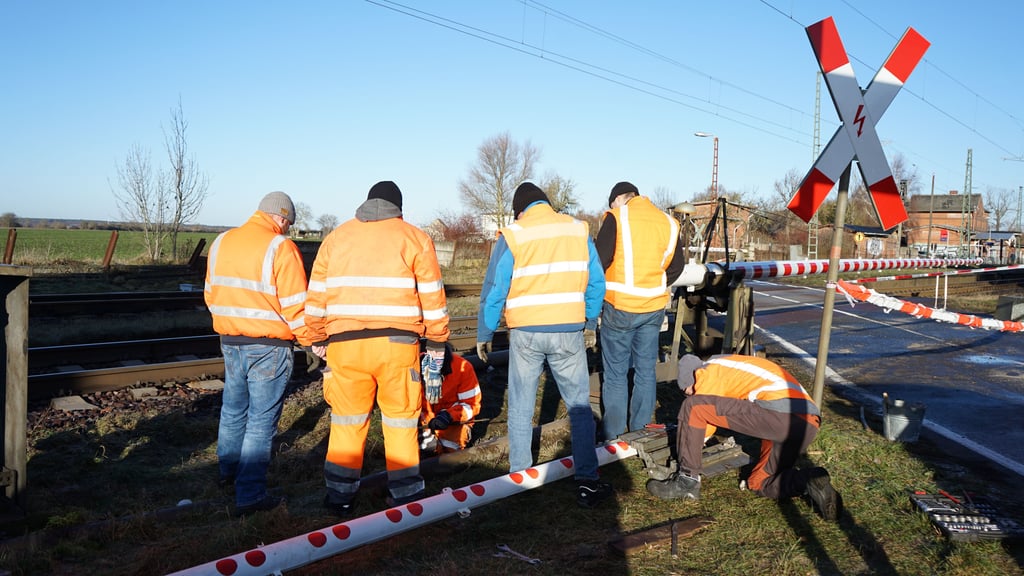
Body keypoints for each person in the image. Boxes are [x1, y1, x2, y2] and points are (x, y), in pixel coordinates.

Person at [305, 181, 450, 516]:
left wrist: (316, 339)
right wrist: (438, 341)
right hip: (397, 347)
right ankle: (406, 498)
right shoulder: (414, 238)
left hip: (344, 346)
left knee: (346, 421)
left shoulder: (336, 238)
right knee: (400, 421)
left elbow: (316, 299)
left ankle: (340, 498)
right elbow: (433, 298)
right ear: (399, 209)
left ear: (367, 203)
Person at [476, 182, 613, 509]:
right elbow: (597, 281)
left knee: (522, 402)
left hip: (526, 332)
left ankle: (520, 477)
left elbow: (496, 288)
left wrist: (486, 330)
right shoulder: (578, 230)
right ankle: (587, 481)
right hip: (568, 329)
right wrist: (590, 321)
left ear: (519, 210)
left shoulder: (514, 234)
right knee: (579, 405)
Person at [204, 191, 313, 516]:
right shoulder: (281, 248)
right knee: (261, 422)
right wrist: (311, 342)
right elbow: (297, 307)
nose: (287, 230)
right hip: (269, 347)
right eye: (288, 224)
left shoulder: (222, 241)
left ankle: (227, 473)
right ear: (281, 218)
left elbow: (210, 293)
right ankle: (249, 494)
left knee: (233, 409)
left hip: (230, 341)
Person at [646, 354, 842, 522]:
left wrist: (687, 445)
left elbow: (702, 418)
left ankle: (687, 480)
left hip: (780, 416)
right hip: (807, 424)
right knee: (759, 482)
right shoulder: (729, 364)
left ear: (691, 378)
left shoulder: (706, 372)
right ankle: (807, 480)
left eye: (685, 389)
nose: (687, 392)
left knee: (693, 406)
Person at [595, 181, 687, 440]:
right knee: (646, 369)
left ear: (618, 199)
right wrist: (654, 285)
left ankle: (612, 435)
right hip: (653, 307)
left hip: (620, 306)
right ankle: (641, 431)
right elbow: (676, 267)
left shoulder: (617, 217)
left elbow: (599, 261)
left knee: (615, 373)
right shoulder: (668, 222)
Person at [418, 343, 482, 454]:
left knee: (452, 449)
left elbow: (472, 405)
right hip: (423, 420)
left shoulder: (463, 368)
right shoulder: (413, 367)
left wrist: (449, 416)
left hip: (452, 422)